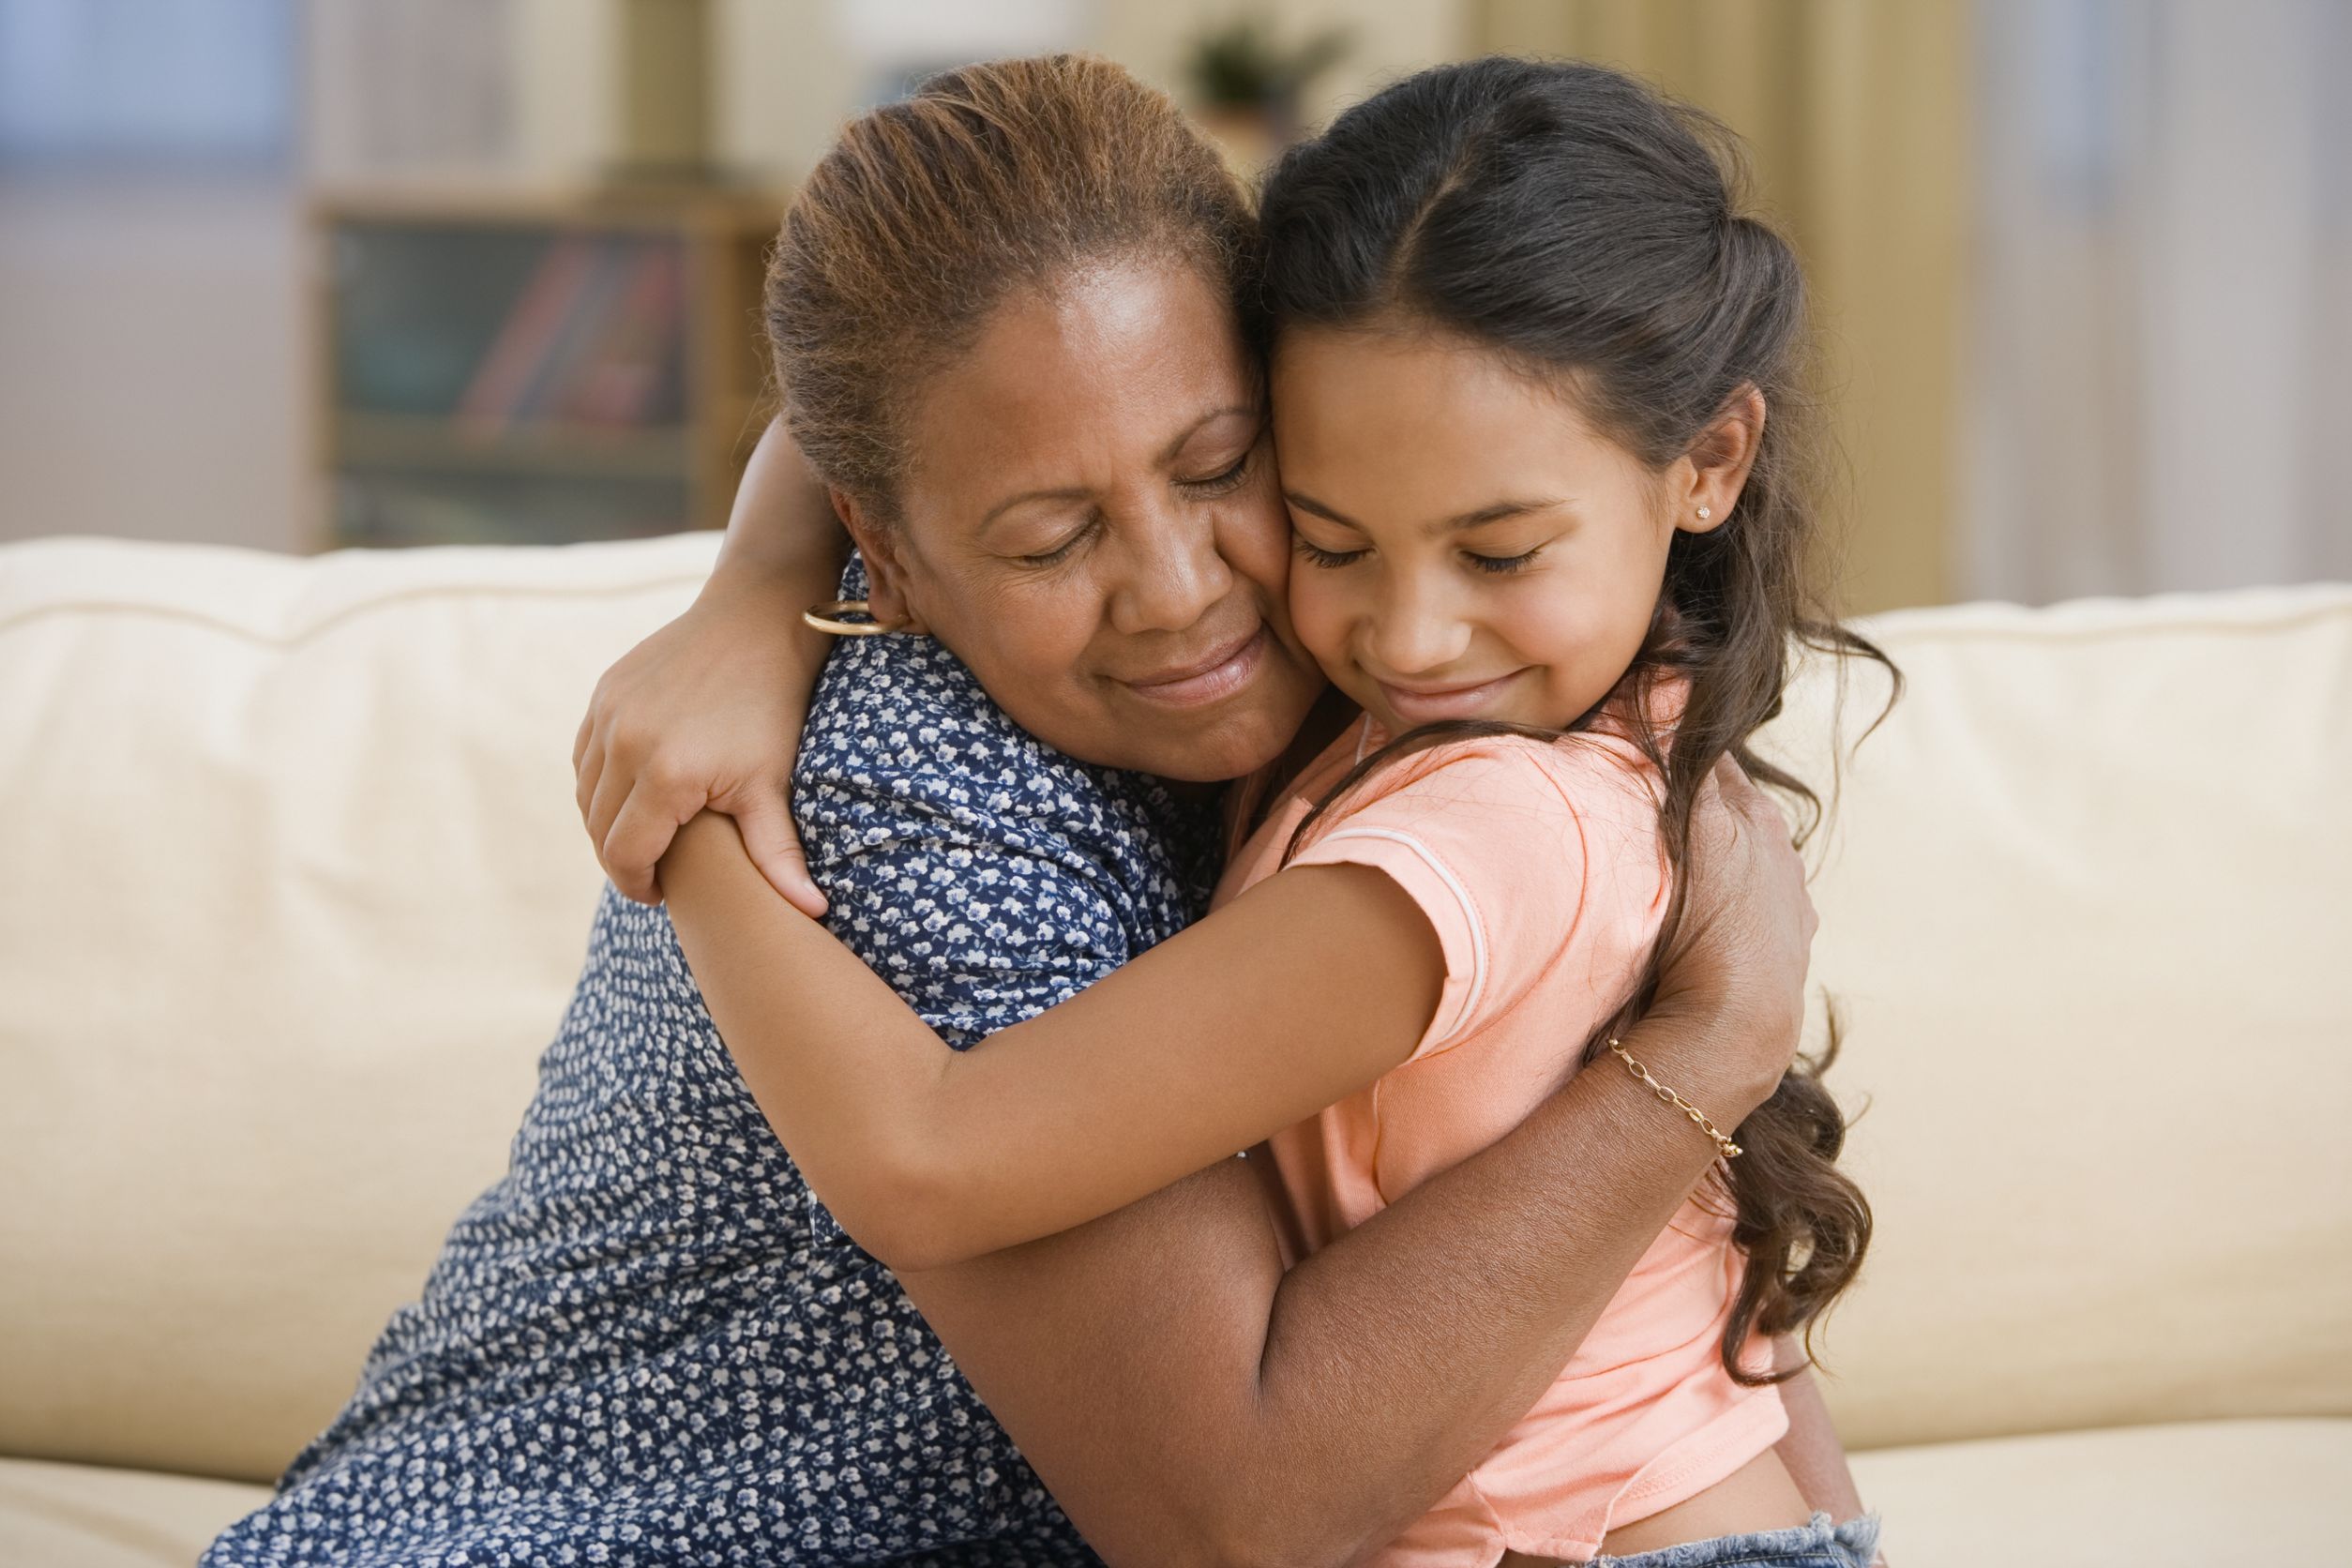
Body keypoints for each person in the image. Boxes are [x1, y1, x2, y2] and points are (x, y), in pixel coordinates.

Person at [206, 56, 1855, 1568]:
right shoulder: (928, 804)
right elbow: (1222, 1499)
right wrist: (1713, 1039)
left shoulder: (1455, 681)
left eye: (1222, 467)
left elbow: (1686, 1265)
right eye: (1054, 541)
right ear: (898, 555)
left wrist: (760, 573)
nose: (1180, 594)